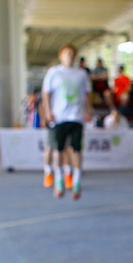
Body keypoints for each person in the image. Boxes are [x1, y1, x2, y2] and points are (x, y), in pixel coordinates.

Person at [42, 43, 92, 199]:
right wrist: (48, 112)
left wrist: (88, 111)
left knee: (76, 149)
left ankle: (76, 179)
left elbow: (88, 94)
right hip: (59, 117)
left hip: (76, 116)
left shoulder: (81, 74)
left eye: (72, 53)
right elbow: (46, 94)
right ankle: (58, 177)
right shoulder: (54, 73)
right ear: (60, 56)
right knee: (58, 149)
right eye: (66, 53)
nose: (69, 56)